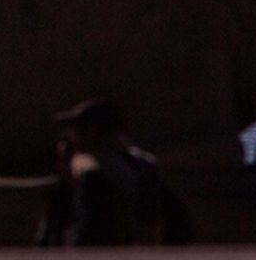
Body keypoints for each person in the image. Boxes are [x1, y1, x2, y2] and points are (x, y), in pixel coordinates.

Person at [36, 97, 190, 247]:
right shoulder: (144, 165)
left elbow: (88, 234)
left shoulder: (95, 173)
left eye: (76, 129)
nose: (70, 137)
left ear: (91, 131)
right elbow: (178, 219)